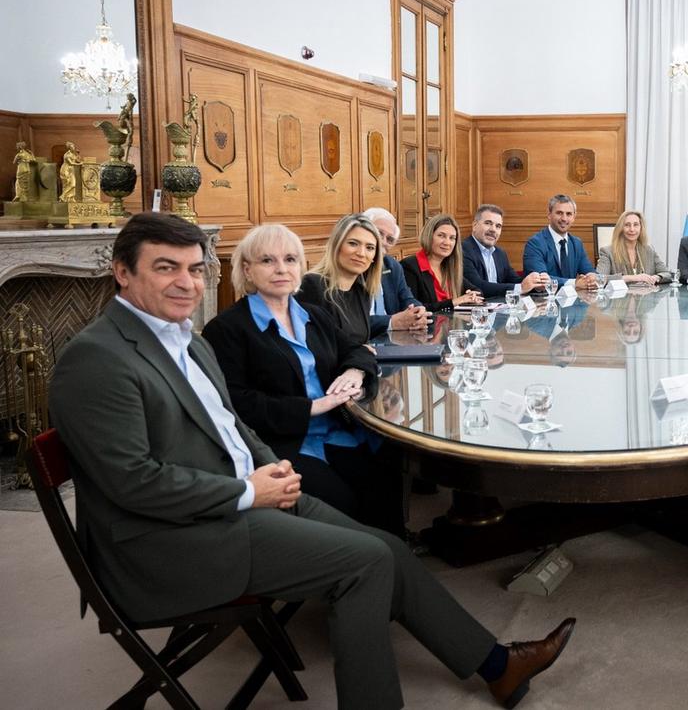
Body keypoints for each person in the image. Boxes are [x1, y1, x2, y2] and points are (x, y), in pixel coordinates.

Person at [48, 212, 578, 710]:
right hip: (172, 541)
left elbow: (234, 425)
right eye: (166, 268)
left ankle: (497, 665)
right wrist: (249, 490)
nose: (186, 282)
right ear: (122, 272)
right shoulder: (97, 359)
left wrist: (268, 468)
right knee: (366, 564)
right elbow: (133, 484)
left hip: (241, 495)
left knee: (387, 547)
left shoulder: (185, 338)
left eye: (192, 268)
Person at [202, 223, 384, 525]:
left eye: (290, 260)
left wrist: (354, 370)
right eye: (267, 260)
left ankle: (392, 560)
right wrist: (312, 407)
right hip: (283, 443)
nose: (281, 269)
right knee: (343, 503)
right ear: (247, 270)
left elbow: (357, 350)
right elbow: (236, 403)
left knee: (386, 475)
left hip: (338, 429)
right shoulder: (227, 329)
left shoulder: (314, 314)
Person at [297, 213, 385, 345]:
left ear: (374, 257)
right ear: (336, 246)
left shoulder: (362, 292)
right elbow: (315, 347)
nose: (361, 253)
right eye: (353, 243)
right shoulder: (311, 285)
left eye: (370, 248)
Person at [360, 207, 432, 335]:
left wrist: (418, 312)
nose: (383, 241)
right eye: (379, 233)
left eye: (390, 239)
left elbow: (407, 299)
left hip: (393, 339)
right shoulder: (352, 268)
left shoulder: (391, 265)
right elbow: (350, 322)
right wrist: (391, 322)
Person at [400, 214, 485, 312]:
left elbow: (477, 291)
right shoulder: (409, 266)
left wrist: (472, 296)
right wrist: (453, 302)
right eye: (441, 236)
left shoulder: (449, 267)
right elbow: (413, 308)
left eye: (452, 238)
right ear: (429, 236)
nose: (447, 242)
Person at [462, 204, 548, 297]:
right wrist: (520, 288)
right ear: (474, 225)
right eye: (488, 223)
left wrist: (536, 284)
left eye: (498, 226)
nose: (493, 230)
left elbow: (514, 280)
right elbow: (477, 286)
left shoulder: (500, 253)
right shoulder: (463, 250)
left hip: (499, 307)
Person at [523, 194, 598, 289]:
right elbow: (540, 280)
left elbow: (589, 271)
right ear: (549, 214)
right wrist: (574, 283)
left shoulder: (577, 243)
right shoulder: (535, 243)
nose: (564, 218)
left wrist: (591, 278)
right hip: (543, 300)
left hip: (571, 301)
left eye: (569, 214)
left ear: (574, 217)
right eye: (559, 213)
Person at [596, 210, 672, 285]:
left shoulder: (649, 250)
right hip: (620, 297)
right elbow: (599, 278)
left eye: (636, 225)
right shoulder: (607, 251)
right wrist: (632, 278)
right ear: (621, 228)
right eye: (627, 225)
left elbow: (667, 274)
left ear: (641, 228)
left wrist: (656, 277)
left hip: (646, 296)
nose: (632, 229)